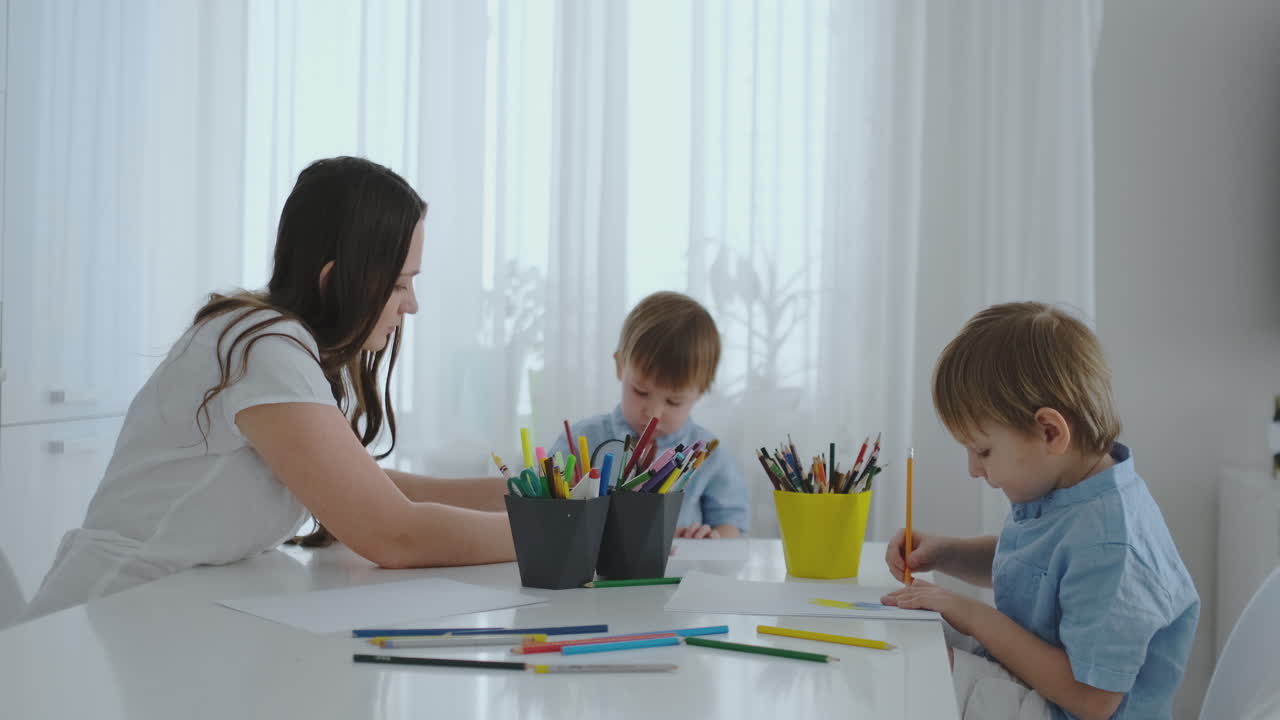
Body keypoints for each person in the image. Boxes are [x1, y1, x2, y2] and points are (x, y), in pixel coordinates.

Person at [24, 157, 514, 621]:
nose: (411, 306)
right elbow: (394, 535)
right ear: (337, 280)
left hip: (148, 615)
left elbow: (366, 488)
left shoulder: (273, 341)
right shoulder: (265, 348)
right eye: (400, 284)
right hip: (98, 617)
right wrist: (559, 536)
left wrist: (515, 496)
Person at [881, 301, 1199, 720]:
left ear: (1049, 431)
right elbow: (1036, 570)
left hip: (1069, 707)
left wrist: (973, 615)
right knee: (909, 638)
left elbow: (1093, 700)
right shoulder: (1071, 490)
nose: (974, 470)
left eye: (983, 451)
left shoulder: (1111, 543)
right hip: (1037, 688)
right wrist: (945, 553)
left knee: (915, 671)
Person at [550, 291, 749, 538]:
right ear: (620, 366)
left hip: (677, 574)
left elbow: (733, 526)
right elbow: (547, 515)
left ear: (701, 392)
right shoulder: (582, 440)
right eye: (641, 391)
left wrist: (712, 537)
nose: (653, 414)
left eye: (674, 401)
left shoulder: (709, 454)